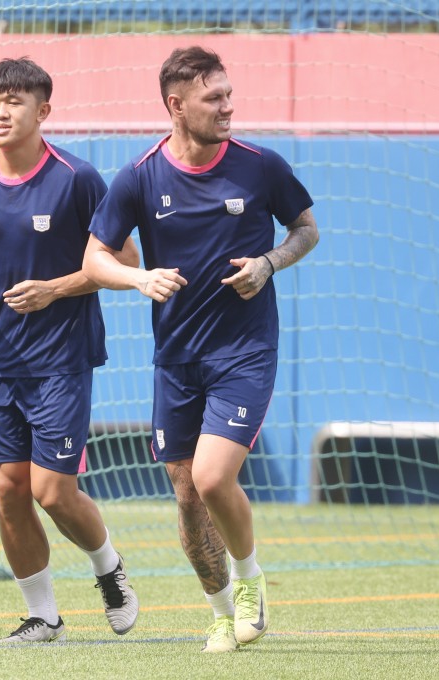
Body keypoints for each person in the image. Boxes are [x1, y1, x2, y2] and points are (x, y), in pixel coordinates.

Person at [83, 46, 319, 653]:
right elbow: (94, 259)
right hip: (176, 361)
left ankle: (249, 579)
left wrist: (269, 262)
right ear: (176, 105)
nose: (228, 106)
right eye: (213, 98)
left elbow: (307, 229)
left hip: (244, 351)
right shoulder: (139, 176)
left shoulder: (261, 166)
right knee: (186, 496)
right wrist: (140, 279)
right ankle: (218, 612)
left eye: (228, 94)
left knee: (214, 480)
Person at [0, 57, 141, 644]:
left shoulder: (77, 179)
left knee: (52, 490)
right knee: (7, 489)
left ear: (43, 110)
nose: (1, 113)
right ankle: (42, 616)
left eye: (15, 102)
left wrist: (56, 288)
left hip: (61, 360)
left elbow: (124, 263)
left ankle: (109, 569)